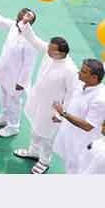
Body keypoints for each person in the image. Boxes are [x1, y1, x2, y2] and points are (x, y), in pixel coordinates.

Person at [13, 24, 77, 174]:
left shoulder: (70, 69)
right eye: (48, 47)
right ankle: (33, 152)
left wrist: (60, 114)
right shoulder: (50, 54)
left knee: (47, 136)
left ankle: (44, 161)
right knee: (35, 129)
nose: (46, 50)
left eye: (50, 49)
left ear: (60, 53)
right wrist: (25, 23)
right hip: (38, 101)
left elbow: (71, 94)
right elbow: (34, 40)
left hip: (51, 109)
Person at [0, 3, 38, 138]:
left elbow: (29, 65)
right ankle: (3, 118)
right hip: (5, 71)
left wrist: (21, 82)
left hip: (16, 78)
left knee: (14, 102)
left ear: (30, 23)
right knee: (3, 96)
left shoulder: (30, 40)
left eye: (28, 16)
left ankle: (13, 126)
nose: (24, 16)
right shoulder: (13, 27)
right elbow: (0, 20)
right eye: (23, 13)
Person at [52, 59, 105, 173]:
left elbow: (88, 126)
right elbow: (74, 105)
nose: (79, 72)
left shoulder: (100, 99)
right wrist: (61, 117)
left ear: (94, 78)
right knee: (68, 166)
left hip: (81, 145)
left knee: (75, 170)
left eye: (83, 72)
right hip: (70, 136)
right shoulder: (82, 84)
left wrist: (64, 114)